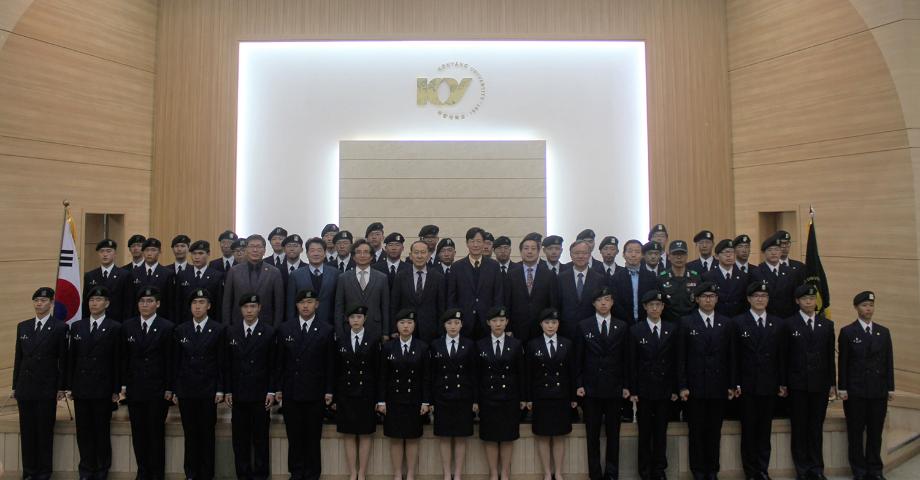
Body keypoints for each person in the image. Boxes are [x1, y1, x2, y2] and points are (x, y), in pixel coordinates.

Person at [275, 288, 335, 480]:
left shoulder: (326, 329)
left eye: (309, 302)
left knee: (312, 436)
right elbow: (280, 363)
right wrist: (278, 388)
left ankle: (312, 474)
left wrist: (329, 390)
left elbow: (330, 364)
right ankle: (296, 472)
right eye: (302, 303)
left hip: (315, 392)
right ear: (296, 305)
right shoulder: (285, 328)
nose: (306, 306)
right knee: (294, 435)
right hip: (291, 391)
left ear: (316, 304)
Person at [678, 282, 734, 480]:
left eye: (712, 296)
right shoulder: (686, 322)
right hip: (694, 387)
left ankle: (712, 470)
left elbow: (731, 356)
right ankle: (698, 470)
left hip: (718, 386)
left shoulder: (726, 323)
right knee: (696, 431)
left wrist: (731, 384)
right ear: (697, 299)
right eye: (704, 296)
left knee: (714, 431)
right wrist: (682, 385)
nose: (708, 300)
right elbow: (681, 357)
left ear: (717, 299)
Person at [67, 286, 122, 480]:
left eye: (98, 300)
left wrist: (116, 389)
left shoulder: (115, 327)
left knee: (101, 430)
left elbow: (117, 361)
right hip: (81, 387)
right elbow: (72, 359)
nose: (94, 303)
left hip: (103, 388)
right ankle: (86, 469)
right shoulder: (77, 327)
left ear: (106, 303)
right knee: (83, 431)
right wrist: (70, 386)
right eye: (91, 300)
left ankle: (101, 469)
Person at [732, 280, 785, 480]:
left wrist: (781, 382)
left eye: (764, 296)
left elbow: (781, 357)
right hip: (746, 386)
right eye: (756, 296)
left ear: (768, 299)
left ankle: (763, 469)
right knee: (749, 430)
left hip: (769, 385)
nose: (760, 299)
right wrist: (735, 383)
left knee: (764, 430)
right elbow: (734, 356)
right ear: (749, 299)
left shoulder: (777, 323)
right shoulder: (738, 322)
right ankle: (750, 471)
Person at [838, 291, 894, 480]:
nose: (868, 309)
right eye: (864, 305)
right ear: (856, 308)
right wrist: (842, 388)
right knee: (855, 433)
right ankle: (859, 471)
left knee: (875, 432)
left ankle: (875, 470)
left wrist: (890, 387)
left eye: (871, 305)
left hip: (878, 391)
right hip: (856, 391)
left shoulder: (883, 332)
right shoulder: (848, 332)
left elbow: (888, 362)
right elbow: (843, 363)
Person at [13, 287, 67, 480]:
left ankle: (44, 472)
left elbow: (63, 360)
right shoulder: (23, 326)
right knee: (27, 432)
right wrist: (15, 386)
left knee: (44, 432)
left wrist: (61, 387)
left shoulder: (59, 327)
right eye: (36, 300)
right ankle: (29, 471)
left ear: (51, 303)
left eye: (43, 301)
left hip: (46, 387)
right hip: (25, 387)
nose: (39, 304)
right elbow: (19, 359)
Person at [575, 287, 630, 480]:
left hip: (615, 388)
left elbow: (627, 359)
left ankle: (612, 473)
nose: (604, 303)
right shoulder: (584, 325)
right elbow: (578, 358)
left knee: (614, 434)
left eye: (607, 299)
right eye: (600, 300)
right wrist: (579, 383)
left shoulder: (622, 326)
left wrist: (626, 385)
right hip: (591, 388)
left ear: (612, 302)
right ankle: (595, 474)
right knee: (592, 435)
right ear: (594, 304)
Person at [121, 286, 175, 480]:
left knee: (155, 433)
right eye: (142, 301)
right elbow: (124, 358)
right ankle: (142, 472)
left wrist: (169, 387)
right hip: (135, 389)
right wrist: (123, 385)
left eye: (150, 301)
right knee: (138, 433)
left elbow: (170, 360)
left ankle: (156, 474)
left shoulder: (167, 327)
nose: (145, 305)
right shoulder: (128, 326)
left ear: (157, 304)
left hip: (157, 390)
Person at [783, 284, 836, 480]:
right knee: (799, 428)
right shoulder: (788, 324)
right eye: (805, 299)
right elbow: (784, 357)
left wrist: (832, 383)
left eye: (812, 299)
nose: (809, 302)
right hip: (797, 385)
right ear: (797, 301)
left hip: (819, 385)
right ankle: (802, 470)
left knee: (816, 427)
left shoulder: (826, 325)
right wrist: (783, 382)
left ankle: (817, 468)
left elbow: (830, 357)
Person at [172, 289, 226, 480]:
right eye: (194, 303)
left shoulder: (218, 329)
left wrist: (220, 388)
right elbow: (176, 363)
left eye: (202, 302)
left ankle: (206, 474)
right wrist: (176, 389)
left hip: (208, 390)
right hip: (187, 390)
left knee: (207, 434)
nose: (197, 306)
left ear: (209, 306)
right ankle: (191, 474)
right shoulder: (181, 330)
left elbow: (221, 362)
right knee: (190, 434)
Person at [226, 293, 277, 480]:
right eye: (246, 307)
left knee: (260, 438)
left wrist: (271, 390)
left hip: (261, 394)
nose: (249, 310)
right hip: (239, 394)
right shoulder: (231, 332)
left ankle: (261, 476)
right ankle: (243, 475)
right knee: (240, 440)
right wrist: (228, 390)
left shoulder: (269, 332)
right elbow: (226, 365)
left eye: (253, 307)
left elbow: (273, 365)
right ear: (240, 309)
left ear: (259, 308)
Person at [629, 291, 678, 480]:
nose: (655, 308)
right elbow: (632, 362)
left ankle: (659, 469)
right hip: (644, 390)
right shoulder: (636, 330)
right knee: (644, 432)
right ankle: (644, 470)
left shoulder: (671, 329)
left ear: (663, 307)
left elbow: (676, 361)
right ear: (645, 307)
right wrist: (633, 390)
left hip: (665, 389)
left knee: (660, 432)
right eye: (651, 305)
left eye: (658, 305)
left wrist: (675, 388)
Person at [377, 308, 431, 480]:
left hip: (414, 400)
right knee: (396, 438)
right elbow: (383, 376)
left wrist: (426, 401)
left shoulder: (422, 347)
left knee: (413, 438)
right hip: (393, 399)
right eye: (402, 323)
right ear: (397, 325)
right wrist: (381, 401)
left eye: (409, 322)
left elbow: (426, 377)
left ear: (414, 325)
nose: (406, 326)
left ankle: (411, 475)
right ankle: (397, 474)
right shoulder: (388, 347)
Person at [525, 308, 577, 480]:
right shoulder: (532, 345)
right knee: (543, 436)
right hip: (541, 396)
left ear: (558, 324)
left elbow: (572, 373)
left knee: (559, 436)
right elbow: (528, 374)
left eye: (554, 322)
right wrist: (529, 398)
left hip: (561, 396)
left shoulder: (567, 344)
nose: (550, 326)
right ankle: (547, 473)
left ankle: (559, 472)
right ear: (541, 324)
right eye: (547, 322)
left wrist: (573, 397)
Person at [476, 306, 525, 480]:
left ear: (507, 322)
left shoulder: (516, 344)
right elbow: (476, 375)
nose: (498, 324)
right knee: (490, 437)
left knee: (507, 436)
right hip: (488, 398)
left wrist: (523, 398)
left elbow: (521, 373)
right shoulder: (480, 344)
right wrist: (476, 399)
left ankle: (504, 473)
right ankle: (493, 473)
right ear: (488, 323)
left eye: (502, 320)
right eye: (495, 321)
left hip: (509, 397)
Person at [334, 303, 380, 480]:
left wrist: (378, 398)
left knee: (365, 433)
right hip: (346, 394)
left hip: (366, 393)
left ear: (365, 319)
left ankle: (362, 473)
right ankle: (352, 472)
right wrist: (335, 396)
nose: (355, 320)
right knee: (349, 434)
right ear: (348, 320)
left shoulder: (373, 339)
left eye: (359, 317)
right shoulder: (341, 339)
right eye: (352, 317)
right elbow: (336, 370)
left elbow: (378, 371)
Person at [430, 309, 477, 480]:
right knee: (444, 437)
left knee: (460, 437)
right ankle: (446, 474)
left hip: (463, 396)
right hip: (442, 397)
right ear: (444, 325)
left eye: (456, 323)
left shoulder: (469, 345)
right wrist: (431, 400)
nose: (453, 326)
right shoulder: (435, 344)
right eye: (449, 323)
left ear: (462, 325)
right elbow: (432, 374)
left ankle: (457, 474)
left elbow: (474, 374)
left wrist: (475, 399)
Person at [447, 227, 504, 338]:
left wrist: (496, 320)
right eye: (472, 241)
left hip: (488, 323)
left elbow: (498, 296)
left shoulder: (494, 266)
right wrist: (455, 321)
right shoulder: (457, 267)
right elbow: (452, 297)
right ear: (467, 243)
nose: (475, 245)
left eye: (478, 241)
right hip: (463, 323)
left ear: (484, 243)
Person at [506, 233, 559, 344]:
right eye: (526, 248)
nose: (529, 252)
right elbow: (507, 303)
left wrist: (551, 325)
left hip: (542, 328)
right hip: (517, 328)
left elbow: (553, 303)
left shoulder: (549, 275)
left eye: (533, 248)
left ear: (539, 252)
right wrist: (508, 328)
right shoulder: (511, 275)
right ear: (521, 251)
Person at [335, 239, 390, 343]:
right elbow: (339, 307)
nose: (362, 255)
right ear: (353, 256)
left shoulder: (382, 278)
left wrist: (385, 332)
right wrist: (339, 331)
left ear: (372, 256)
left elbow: (385, 307)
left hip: (375, 328)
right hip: (349, 328)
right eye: (358, 252)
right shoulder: (343, 278)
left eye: (366, 252)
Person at [223, 234, 285, 326]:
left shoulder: (274, 272)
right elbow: (227, 303)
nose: (255, 250)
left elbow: (279, 305)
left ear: (264, 251)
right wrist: (227, 327)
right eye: (251, 246)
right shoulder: (234, 271)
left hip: (266, 326)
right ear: (246, 250)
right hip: (238, 325)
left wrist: (276, 328)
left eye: (259, 247)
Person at [390, 240, 445, 342]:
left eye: (423, 252)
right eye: (416, 252)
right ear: (411, 256)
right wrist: (394, 329)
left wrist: (441, 331)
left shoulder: (438, 277)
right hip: (406, 330)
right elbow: (394, 305)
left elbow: (441, 307)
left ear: (428, 256)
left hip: (431, 331)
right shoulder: (401, 276)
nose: (419, 256)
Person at [558, 239, 605, 339]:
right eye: (576, 253)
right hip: (566, 330)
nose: (580, 256)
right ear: (571, 255)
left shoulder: (599, 279)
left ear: (589, 255)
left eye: (584, 253)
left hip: (591, 329)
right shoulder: (561, 278)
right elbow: (557, 304)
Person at [287, 236, 340, 325]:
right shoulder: (296, 275)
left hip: (329, 324)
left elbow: (339, 303)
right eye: (312, 250)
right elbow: (291, 305)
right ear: (307, 254)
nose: (316, 254)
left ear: (325, 253)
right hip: (303, 324)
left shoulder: (335, 274)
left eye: (319, 250)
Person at [751, 234, 804, 319]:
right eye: (770, 250)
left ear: (780, 252)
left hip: (788, 317)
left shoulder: (791, 272)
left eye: (776, 249)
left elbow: (795, 297)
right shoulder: (756, 272)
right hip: (766, 317)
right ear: (764, 253)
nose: (773, 253)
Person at [174, 240, 225, 324]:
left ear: (208, 254)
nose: (196, 257)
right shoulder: (182, 275)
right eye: (194, 253)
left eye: (201, 253)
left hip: (210, 322)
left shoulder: (216, 276)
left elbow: (219, 304)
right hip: (186, 322)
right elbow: (178, 303)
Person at [83, 238, 132, 321]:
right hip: (96, 321)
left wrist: (126, 324)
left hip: (117, 321)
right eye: (102, 251)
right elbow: (86, 303)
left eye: (109, 251)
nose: (105, 254)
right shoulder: (90, 276)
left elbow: (128, 304)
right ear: (98, 254)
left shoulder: (124, 275)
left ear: (115, 254)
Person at [612, 239, 658, 325]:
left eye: (637, 252)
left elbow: (653, 300)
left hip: (646, 322)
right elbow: (615, 303)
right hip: (622, 323)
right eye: (630, 251)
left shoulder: (651, 277)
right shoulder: (616, 278)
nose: (633, 255)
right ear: (623, 254)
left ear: (642, 255)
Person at [129, 237, 175, 318]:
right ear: (143, 252)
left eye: (153, 250)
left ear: (160, 252)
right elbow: (130, 300)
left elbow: (171, 302)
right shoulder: (133, 273)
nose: (149, 253)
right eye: (147, 250)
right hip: (138, 318)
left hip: (161, 318)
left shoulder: (167, 274)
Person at [702, 239, 749, 317]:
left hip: (738, 318)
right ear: (717, 256)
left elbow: (746, 301)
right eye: (726, 252)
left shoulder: (743, 276)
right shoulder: (708, 276)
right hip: (717, 318)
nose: (729, 255)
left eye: (732, 252)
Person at [658, 240, 702, 324]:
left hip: (691, 323)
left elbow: (699, 302)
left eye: (682, 254)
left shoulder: (695, 277)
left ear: (687, 256)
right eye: (675, 254)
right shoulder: (661, 278)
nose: (679, 257)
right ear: (669, 257)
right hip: (668, 323)